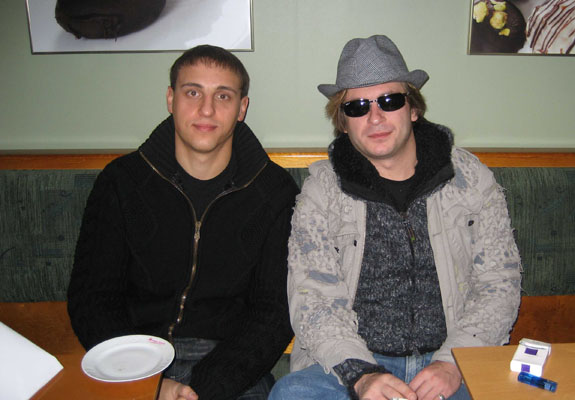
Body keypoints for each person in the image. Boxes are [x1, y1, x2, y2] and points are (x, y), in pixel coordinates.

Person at [269, 35, 522, 400]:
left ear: (413, 108)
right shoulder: (322, 192)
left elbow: (499, 283)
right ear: (343, 122)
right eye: (357, 107)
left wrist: (453, 363)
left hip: (453, 358)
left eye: (390, 101)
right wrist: (362, 375)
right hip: (354, 365)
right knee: (291, 395)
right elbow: (313, 298)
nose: (375, 118)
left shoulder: (469, 179)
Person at [68, 45, 299, 400]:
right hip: (133, 356)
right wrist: (145, 379)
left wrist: (205, 387)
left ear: (242, 108)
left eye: (223, 95)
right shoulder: (122, 182)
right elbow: (93, 298)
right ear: (170, 99)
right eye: (193, 92)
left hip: (230, 366)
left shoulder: (274, 192)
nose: (206, 109)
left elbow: (273, 313)